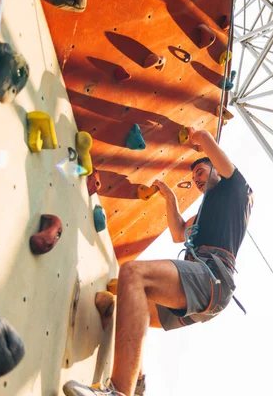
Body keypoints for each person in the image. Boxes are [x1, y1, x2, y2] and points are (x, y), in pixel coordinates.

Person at [63, 126, 254, 396]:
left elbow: (209, 143)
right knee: (128, 310)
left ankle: (119, 392)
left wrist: (197, 136)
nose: (198, 181)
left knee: (133, 274)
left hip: (211, 276)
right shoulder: (206, 211)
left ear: (215, 168)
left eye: (200, 173)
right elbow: (178, 233)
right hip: (204, 291)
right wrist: (171, 198)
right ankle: (137, 382)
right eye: (195, 178)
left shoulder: (236, 186)